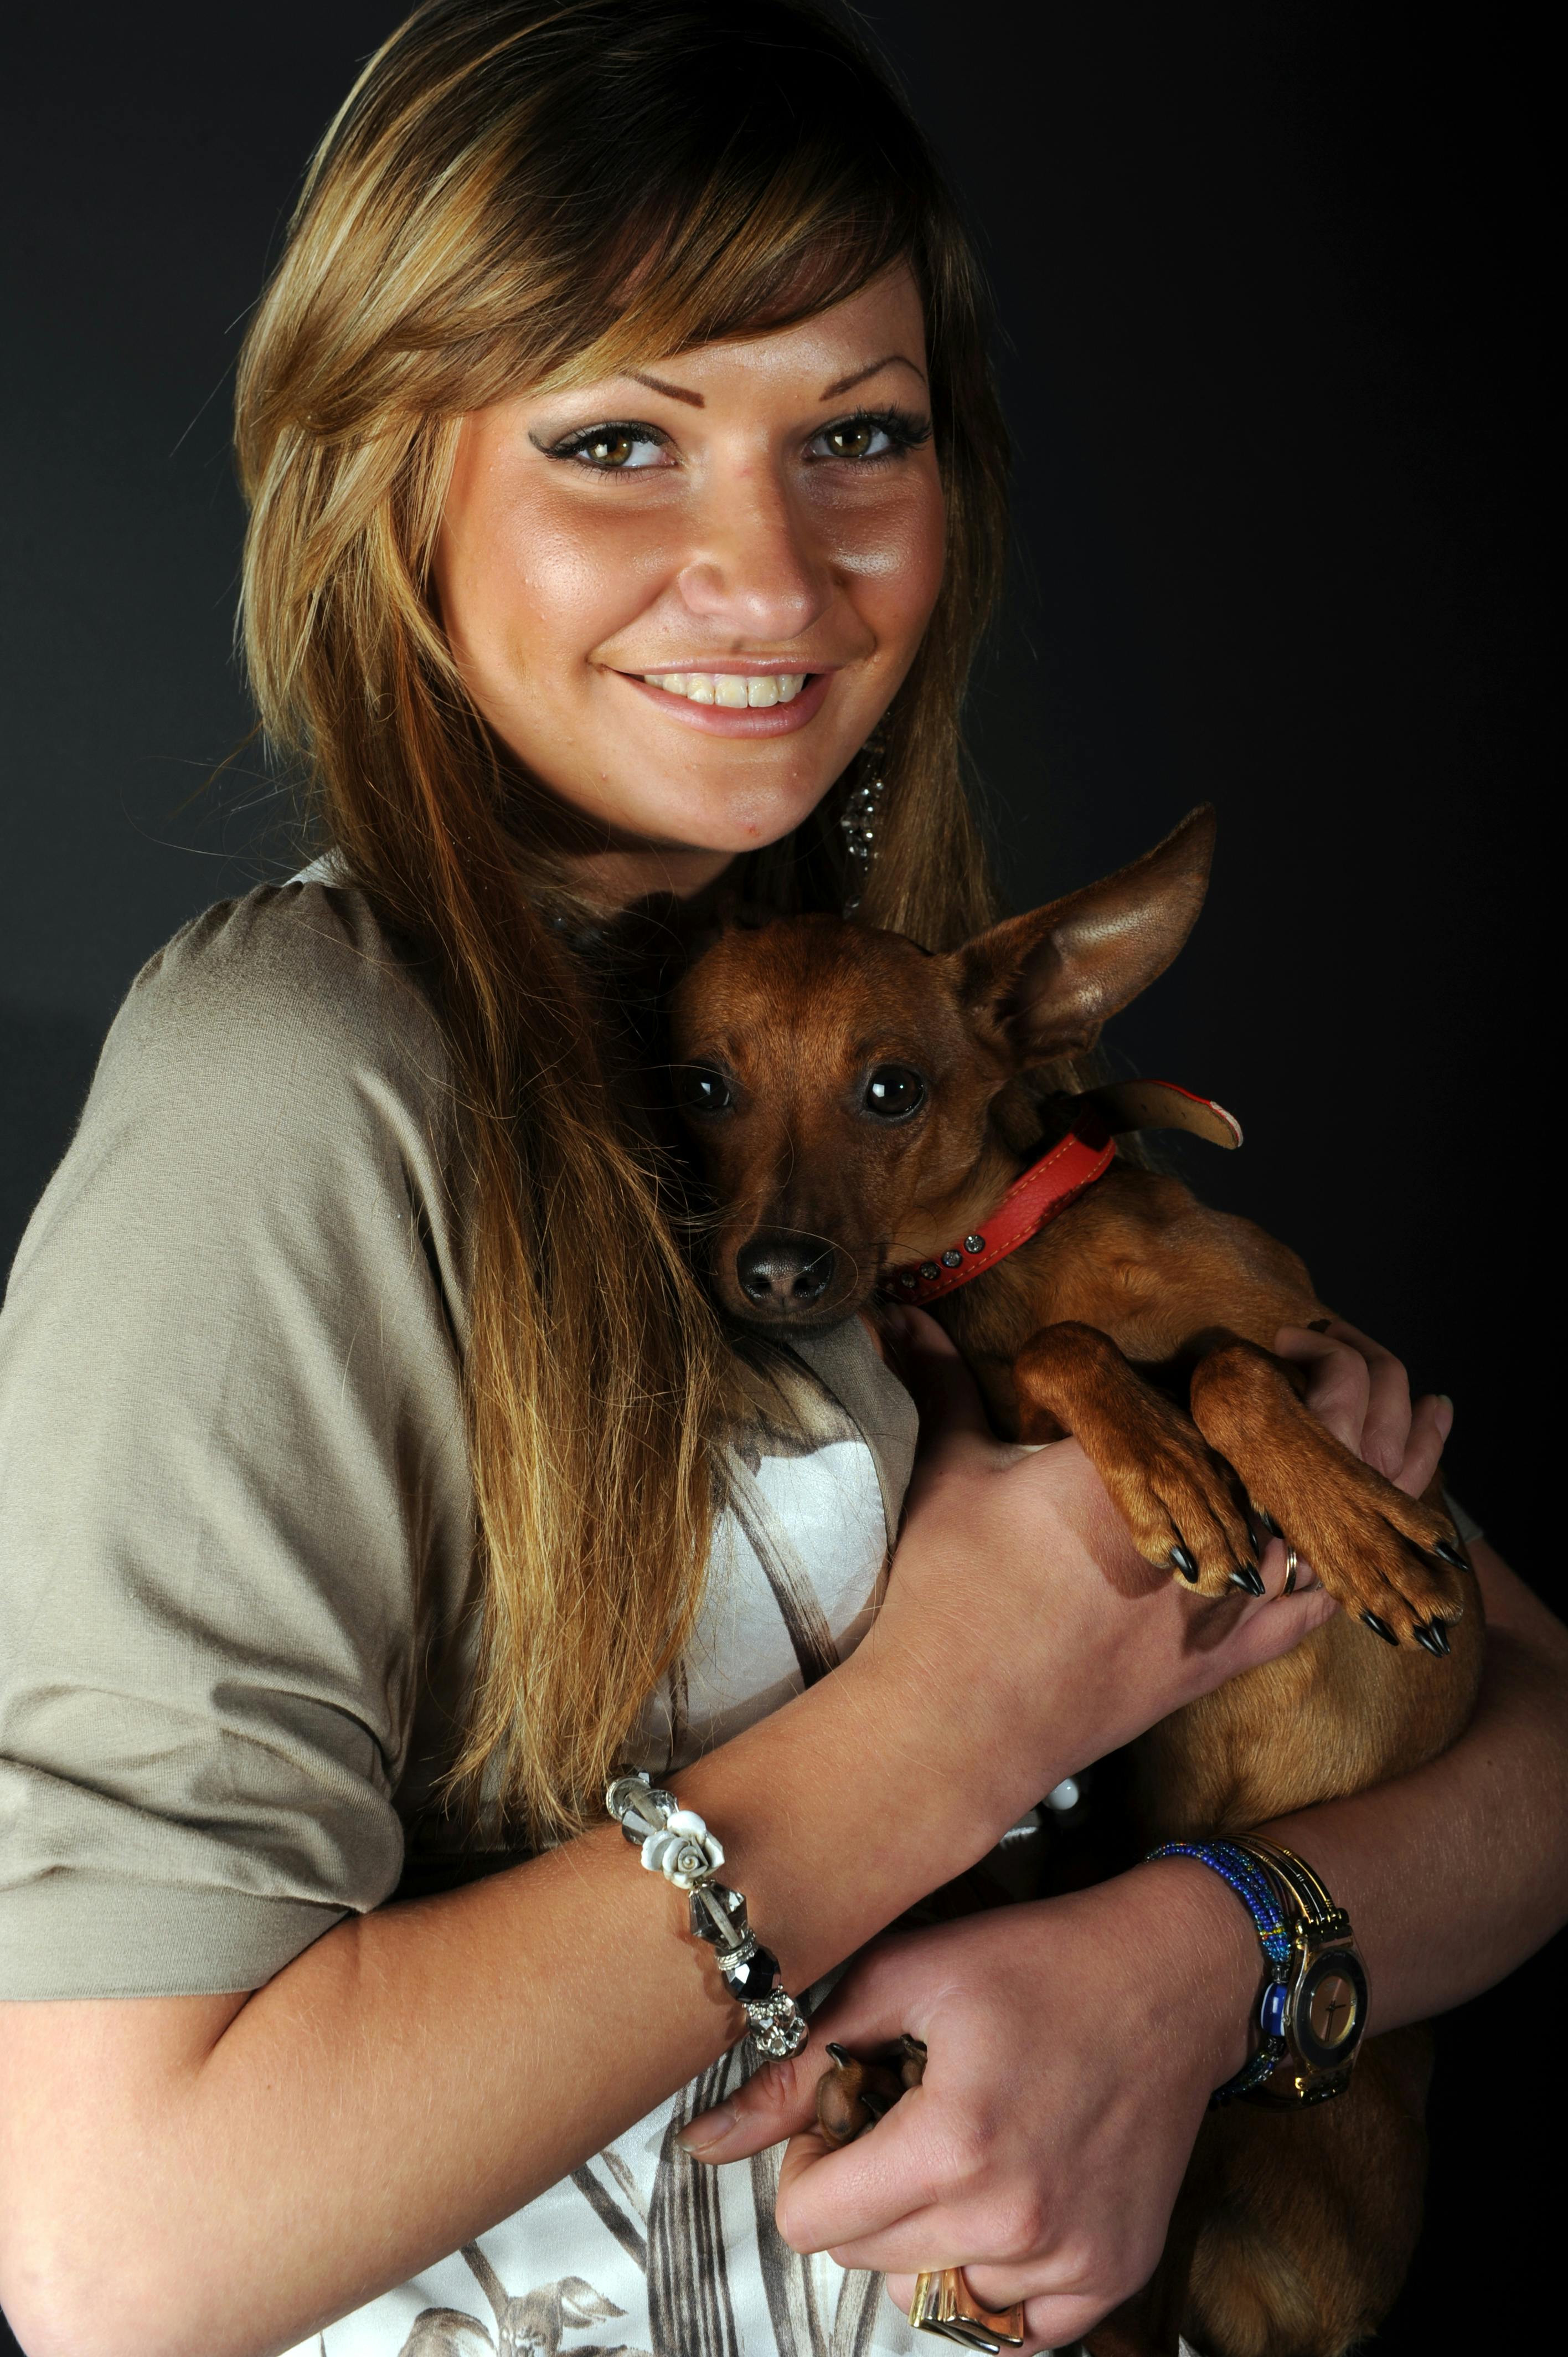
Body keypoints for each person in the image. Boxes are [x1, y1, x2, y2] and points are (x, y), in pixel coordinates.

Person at [1, 6, 1564, 2354]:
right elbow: (120, 2254)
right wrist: (953, 1723)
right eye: (618, 437)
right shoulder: (299, 1087)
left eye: (858, 433)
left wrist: (1181, 1970)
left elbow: (1536, 1739)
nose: (769, 569)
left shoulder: (891, 1069)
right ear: (388, 481)